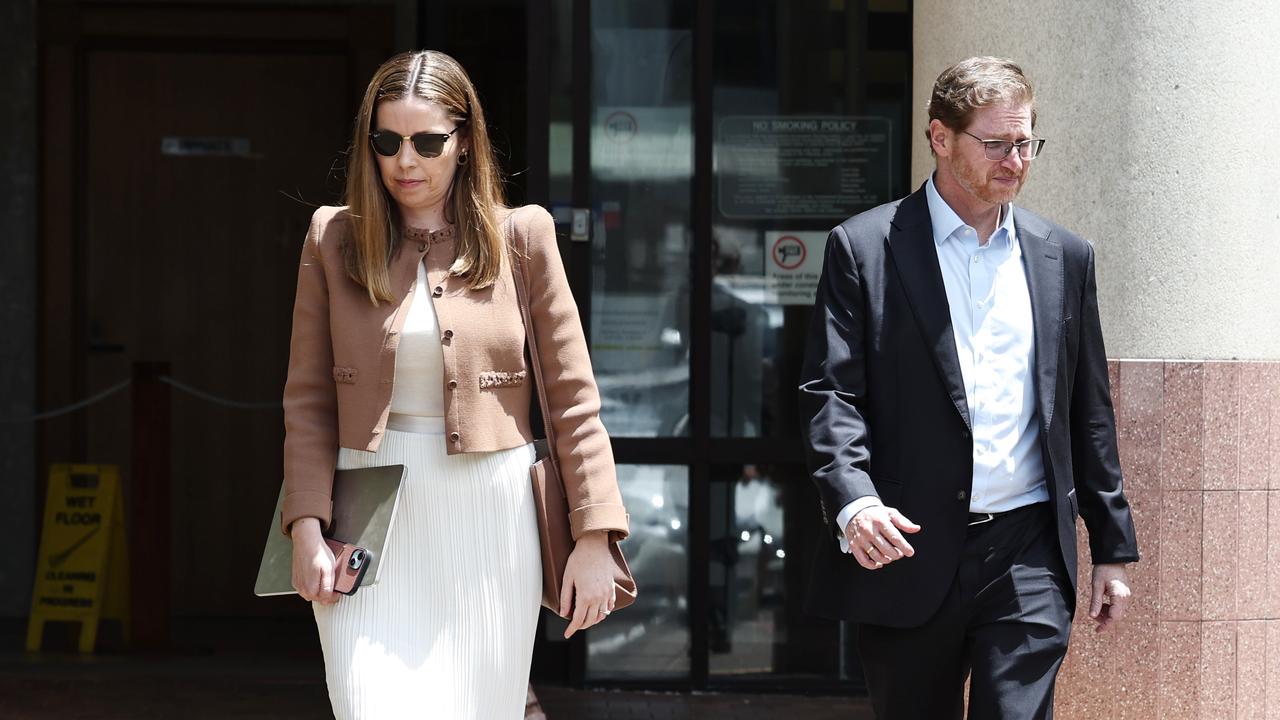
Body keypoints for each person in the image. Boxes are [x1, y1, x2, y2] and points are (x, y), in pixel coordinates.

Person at [281, 50, 629, 719]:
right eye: (387, 142)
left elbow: (574, 403)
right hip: (366, 515)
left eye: (427, 141)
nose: (405, 162)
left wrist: (593, 537)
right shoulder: (332, 236)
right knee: (366, 703)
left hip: (488, 519)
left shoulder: (522, 236)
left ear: (464, 141)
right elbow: (308, 401)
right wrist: (305, 526)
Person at [798, 56, 1139, 719]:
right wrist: (853, 501)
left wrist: (1113, 548)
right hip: (907, 547)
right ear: (940, 137)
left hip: (1027, 553)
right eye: (995, 144)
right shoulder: (865, 248)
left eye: (1025, 142)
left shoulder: (1063, 257)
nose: (1015, 160)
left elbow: (1087, 410)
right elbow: (830, 393)